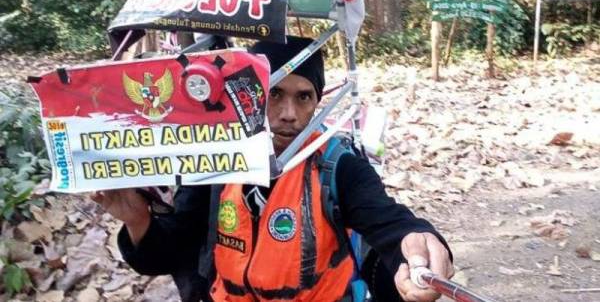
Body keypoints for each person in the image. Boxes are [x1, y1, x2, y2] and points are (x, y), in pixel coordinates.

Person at [93, 36, 453, 302]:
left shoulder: (338, 165)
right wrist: (139, 222)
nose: (288, 114)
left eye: (303, 96)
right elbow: (174, 250)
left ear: (317, 103)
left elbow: (387, 220)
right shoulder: (218, 160)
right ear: (251, 96)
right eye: (274, 94)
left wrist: (417, 240)